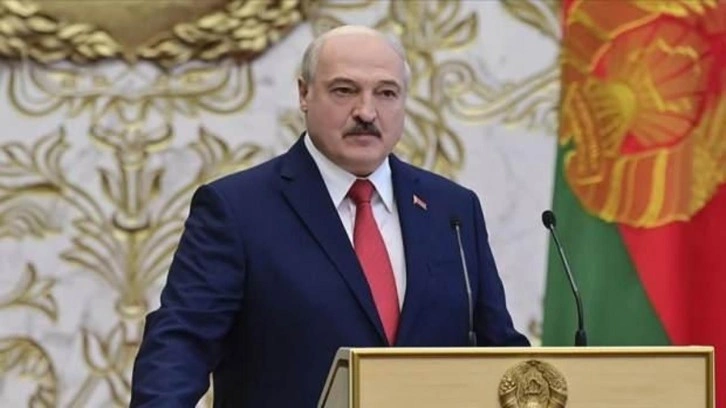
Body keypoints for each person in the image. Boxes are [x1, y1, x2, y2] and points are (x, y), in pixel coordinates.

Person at [130, 25, 529, 407]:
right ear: (304, 94)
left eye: (386, 93)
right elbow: (182, 342)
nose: (367, 111)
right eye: (344, 90)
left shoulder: (453, 210)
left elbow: (500, 351)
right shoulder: (237, 209)